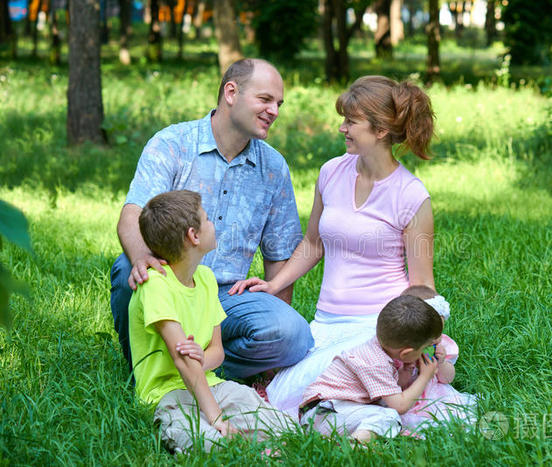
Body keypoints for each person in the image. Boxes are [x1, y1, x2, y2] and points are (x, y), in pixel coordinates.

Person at [229, 75, 436, 415]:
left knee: (308, 398)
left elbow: (422, 285)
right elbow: (313, 243)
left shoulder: (411, 195)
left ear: (380, 131)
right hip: (326, 322)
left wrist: (404, 339)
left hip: (377, 326)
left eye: (351, 121)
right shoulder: (330, 172)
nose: (342, 128)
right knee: (286, 395)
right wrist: (274, 284)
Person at [110, 58, 314, 378]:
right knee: (127, 270)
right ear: (231, 93)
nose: (274, 111)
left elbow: (279, 256)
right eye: (265, 100)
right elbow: (132, 214)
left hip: (228, 300)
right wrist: (140, 258)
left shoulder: (274, 168)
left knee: (294, 334)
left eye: (279, 103)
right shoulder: (173, 144)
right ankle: (145, 366)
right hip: (168, 283)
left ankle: (196, 369)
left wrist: (274, 351)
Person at [129, 190, 295, 453]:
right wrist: (216, 418)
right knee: (210, 443)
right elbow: (183, 361)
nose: (213, 224)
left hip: (212, 385)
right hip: (168, 396)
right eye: (207, 219)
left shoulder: (205, 278)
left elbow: (217, 351)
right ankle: (238, 441)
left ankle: (252, 443)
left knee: (286, 428)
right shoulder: (155, 287)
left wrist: (201, 360)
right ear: (193, 236)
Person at [299, 295, 441, 442]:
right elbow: (400, 405)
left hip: (333, 410)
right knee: (388, 417)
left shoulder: (381, 348)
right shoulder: (376, 363)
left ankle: (356, 438)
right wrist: (425, 377)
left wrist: (404, 373)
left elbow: (389, 392)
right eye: (426, 348)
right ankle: (354, 446)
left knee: (387, 416)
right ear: (407, 353)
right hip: (323, 414)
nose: (425, 352)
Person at [398, 285, 477, 430]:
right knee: (416, 421)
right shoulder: (400, 353)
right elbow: (397, 385)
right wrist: (406, 371)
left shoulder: (441, 346)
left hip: (436, 392)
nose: (436, 339)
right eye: (431, 335)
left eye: (439, 333)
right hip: (411, 397)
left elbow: (447, 378)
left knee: (452, 412)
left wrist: (441, 363)